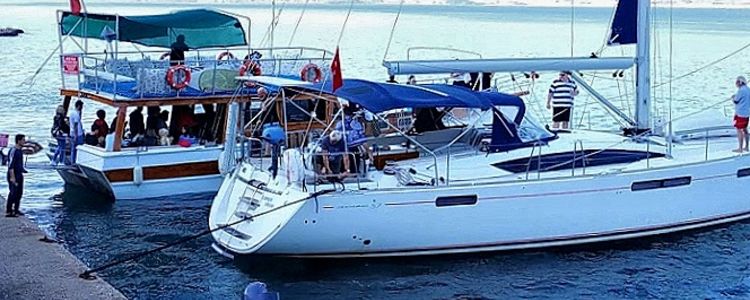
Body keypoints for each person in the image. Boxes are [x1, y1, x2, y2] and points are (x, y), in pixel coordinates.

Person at [6, 134, 26, 217]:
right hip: (13, 174)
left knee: (19, 193)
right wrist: (12, 177)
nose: (24, 141)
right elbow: (11, 165)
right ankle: (9, 210)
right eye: (23, 140)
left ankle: (16, 209)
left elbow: (19, 163)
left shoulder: (20, 150)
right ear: (19, 141)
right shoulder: (13, 150)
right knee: (13, 192)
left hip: (19, 174)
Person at [732, 76, 750, 153]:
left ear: (740, 82)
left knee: (739, 130)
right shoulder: (748, 89)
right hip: (747, 113)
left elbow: (736, 100)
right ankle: (746, 147)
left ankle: (740, 148)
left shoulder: (741, 90)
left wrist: (733, 97)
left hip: (740, 114)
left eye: (736, 82)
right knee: (745, 129)